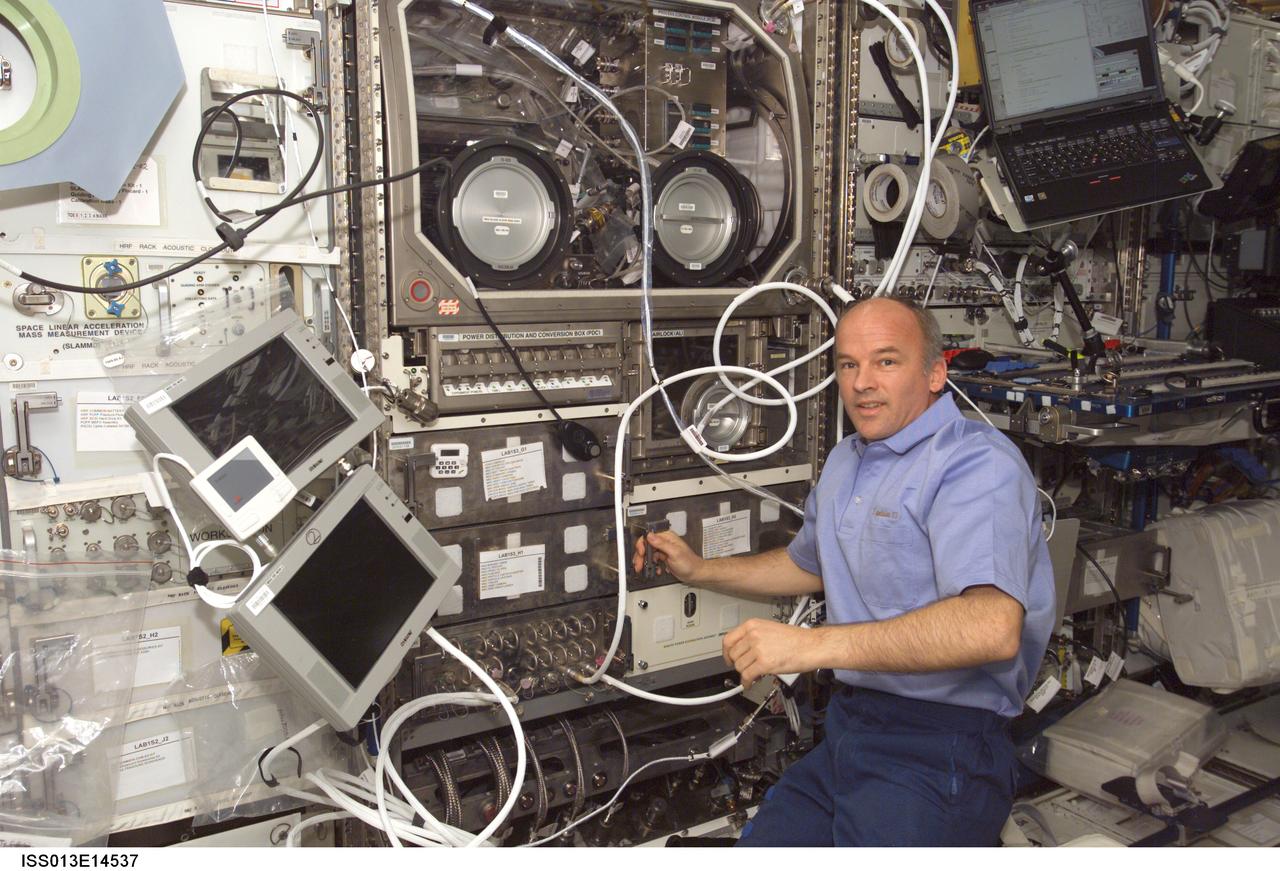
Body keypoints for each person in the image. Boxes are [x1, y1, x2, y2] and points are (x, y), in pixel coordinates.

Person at [633, 297, 1055, 846]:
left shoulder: (975, 465)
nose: (862, 383)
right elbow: (807, 564)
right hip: (851, 732)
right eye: (848, 365)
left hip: (939, 745)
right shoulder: (849, 459)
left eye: (886, 361)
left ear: (935, 373)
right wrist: (699, 569)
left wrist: (811, 646)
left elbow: (990, 627)